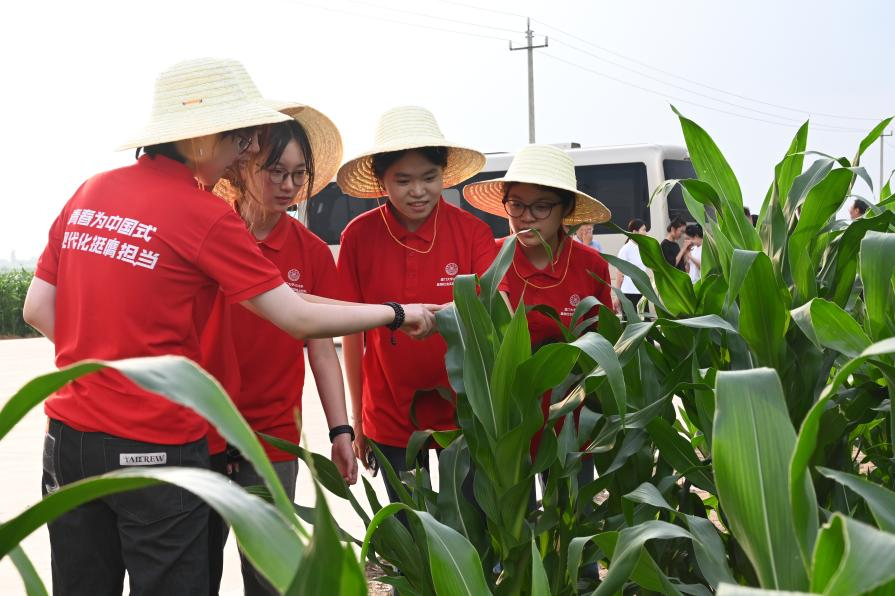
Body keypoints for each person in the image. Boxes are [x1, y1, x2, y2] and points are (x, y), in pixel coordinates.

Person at [22, 58, 434, 596]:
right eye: (239, 138)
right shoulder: (203, 214)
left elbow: (37, 308)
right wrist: (397, 313)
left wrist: (113, 365)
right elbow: (297, 315)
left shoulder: (91, 191)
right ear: (199, 139)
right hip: (159, 443)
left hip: (68, 440)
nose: (245, 151)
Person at [211, 105, 354, 594]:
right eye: (275, 171)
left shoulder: (311, 252)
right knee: (195, 570)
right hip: (201, 430)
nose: (288, 185)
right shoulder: (207, 233)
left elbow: (322, 351)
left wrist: (340, 430)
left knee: (271, 576)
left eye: (298, 174)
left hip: (272, 437)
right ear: (240, 166)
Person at [336, 106, 500, 502]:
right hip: (389, 414)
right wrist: (358, 417)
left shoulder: (472, 233)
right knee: (409, 524)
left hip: (464, 413)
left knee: (468, 522)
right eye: (403, 180)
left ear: (444, 174)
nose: (418, 191)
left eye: (429, 177)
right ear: (381, 181)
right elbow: (352, 332)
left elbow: (496, 314)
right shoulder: (358, 236)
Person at [463, 143, 613, 491]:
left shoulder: (591, 266)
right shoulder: (489, 259)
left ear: (566, 209)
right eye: (516, 204)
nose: (526, 217)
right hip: (506, 434)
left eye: (541, 206)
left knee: (571, 516)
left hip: (569, 433)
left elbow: (603, 352)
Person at [615, 219, 649, 309]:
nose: (646, 233)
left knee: (646, 317)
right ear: (634, 232)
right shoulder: (625, 250)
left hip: (643, 293)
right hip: (629, 293)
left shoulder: (643, 248)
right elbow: (619, 275)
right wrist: (618, 297)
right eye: (643, 230)